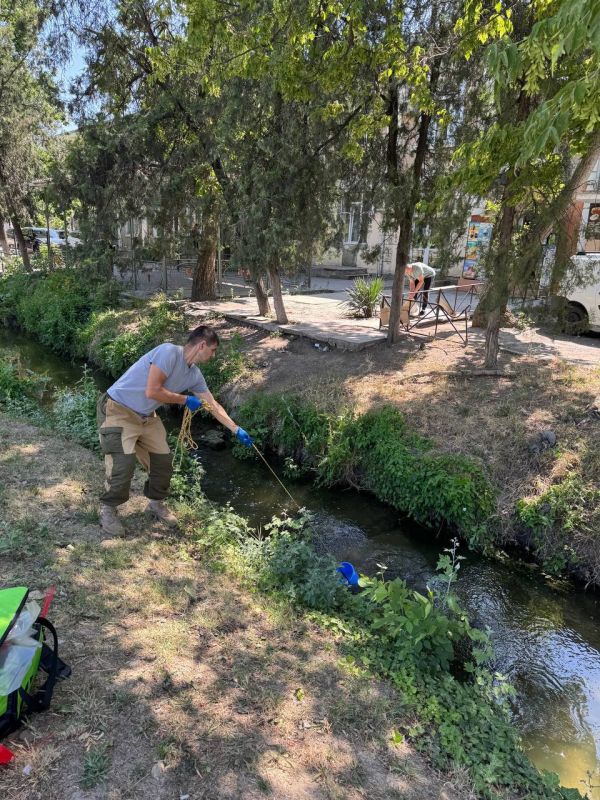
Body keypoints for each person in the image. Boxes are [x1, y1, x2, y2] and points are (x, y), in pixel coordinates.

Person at [96, 325, 254, 536]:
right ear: (202, 345)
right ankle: (108, 509)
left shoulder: (194, 375)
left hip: (146, 417)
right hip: (118, 409)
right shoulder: (168, 352)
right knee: (122, 465)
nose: (213, 355)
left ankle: (155, 504)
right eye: (213, 350)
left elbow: (212, 404)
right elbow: (152, 391)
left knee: (162, 463)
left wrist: (236, 429)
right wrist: (184, 399)